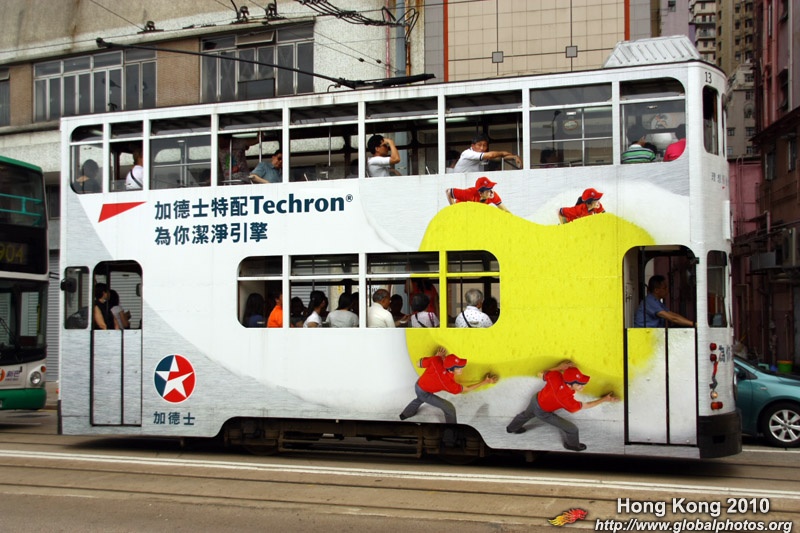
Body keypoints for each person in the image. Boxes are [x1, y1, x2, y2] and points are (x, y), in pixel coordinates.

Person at [506, 360, 618, 451]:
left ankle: (511, 428)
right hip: (543, 412)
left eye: (583, 383)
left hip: (535, 400)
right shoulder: (565, 399)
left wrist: (559, 367)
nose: (583, 387)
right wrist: (605, 399)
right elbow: (587, 405)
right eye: (579, 385)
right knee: (572, 429)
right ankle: (572, 445)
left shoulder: (556, 375)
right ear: (569, 384)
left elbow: (540, 373)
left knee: (525, 415)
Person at [399, 346, 498, 426]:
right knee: (449, 408)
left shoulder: (436, 360)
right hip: (424, 392)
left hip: (419, 385)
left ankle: (405, 414)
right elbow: (467, 389)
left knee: (419, 399)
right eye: (459, 368)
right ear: (450, 370)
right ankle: (451, 433)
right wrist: (485, 382)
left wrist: (436, 357)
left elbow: (418, 364)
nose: (462, 369)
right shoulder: (447, 383)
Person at [452, 134, 522, 173]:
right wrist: (503, 153)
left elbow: (498, 157)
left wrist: (514, 157)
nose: (482, 148)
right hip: (459, 181)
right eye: (479, 145)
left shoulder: (480, 155)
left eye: (484, 145)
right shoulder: (467, 153)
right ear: (473, 146)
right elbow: (491, 155)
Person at [446, 176, 510, 213]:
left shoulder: (492, 195)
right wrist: (454, 209)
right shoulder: (469, 194)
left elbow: (505, 210)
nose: (492, 192)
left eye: (491, 188)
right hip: (463, 210)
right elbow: (448, 191)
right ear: (480, 193)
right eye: (488, 190)